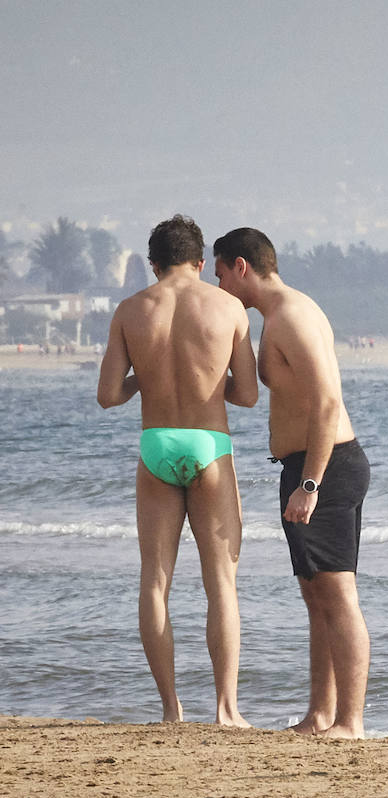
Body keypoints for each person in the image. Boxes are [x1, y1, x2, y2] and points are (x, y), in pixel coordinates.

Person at [96, 214, 257, 727]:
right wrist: (210, 383)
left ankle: (170, 710)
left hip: (155, 443)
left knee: (155, 580)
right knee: (221, 583)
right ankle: (226, 710)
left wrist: (147, 379)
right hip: (210, 442)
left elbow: (107, 395)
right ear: (200, 261)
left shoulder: (129, 310)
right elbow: (249, 395)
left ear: (152, 263)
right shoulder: (228, 306)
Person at [212, 227, 371, 739]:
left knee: (338, 592)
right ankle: (321, 713)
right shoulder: (276, 317)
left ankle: (351, 720)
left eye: (219, 275)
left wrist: (310, 484)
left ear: (241, 267)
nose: (218, 288)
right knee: (316, 594)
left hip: (324, 468)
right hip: (305, 466)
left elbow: (327, 402)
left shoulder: (292, 316)